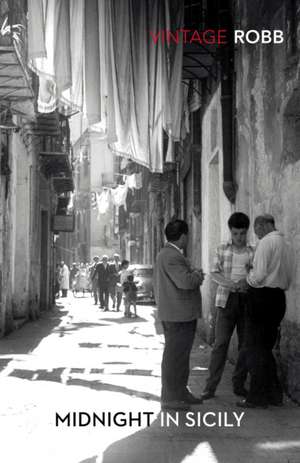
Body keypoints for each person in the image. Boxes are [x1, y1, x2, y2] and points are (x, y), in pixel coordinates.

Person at [236, 214, 292, 408]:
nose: (256, 233)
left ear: (263, 225)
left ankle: (257, 397)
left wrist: (247, 278)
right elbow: (288, 276)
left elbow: (258, 276)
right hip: (278, 299)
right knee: (265, 349)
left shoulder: (266, 243)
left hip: (262, 298)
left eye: (256, 228)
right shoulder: (285, 243)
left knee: (255, 349)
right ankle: (274, 395)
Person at [201, 212, 255, 400]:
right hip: (226, 301)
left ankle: (238, 384)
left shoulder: (253, 251)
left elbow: (258, 275)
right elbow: (214, 273)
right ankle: (210, 387)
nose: (239, 238)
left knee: (246, 344)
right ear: (230, 232)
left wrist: (246, 283)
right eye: (235, 234)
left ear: (246, 232)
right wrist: (232, 284)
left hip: (247, 301)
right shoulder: (222, 249)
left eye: (242, 233)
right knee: (220, 343)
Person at [154, 219, 204, 411]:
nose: (188, 239)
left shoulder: (168, 254)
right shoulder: (171, 256)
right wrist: (197, 275)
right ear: (183, 236)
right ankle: (170, 396)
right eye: (187, 236)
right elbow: (185, 282)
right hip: (178, 315)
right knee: (175, 357)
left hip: (178, 314)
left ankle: (180, 391)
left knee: (180, 356)